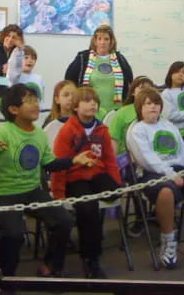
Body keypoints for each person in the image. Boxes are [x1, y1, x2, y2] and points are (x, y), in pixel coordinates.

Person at [0, 84, 95, 279]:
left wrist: (74, 160)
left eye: (36, 100)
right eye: (29, 101)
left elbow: (50, 163)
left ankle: (51, 266)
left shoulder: (39, 133)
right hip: (3, 193)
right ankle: (6, 275)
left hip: (31, 191)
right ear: (13, 110)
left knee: (63, 221)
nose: (36, 105)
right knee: (14, 234)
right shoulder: (4, 131)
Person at [127, 87, 184, 269]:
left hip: (179, 169)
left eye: (156, 104)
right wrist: (170, 174)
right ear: (139, 107)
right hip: (153, 173)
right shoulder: (137, 129)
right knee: (166, 192)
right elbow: (147, 159)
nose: (153, 107)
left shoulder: (168, 125)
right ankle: (168, 241)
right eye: (148, 104)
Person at [51, 86, 123, 278]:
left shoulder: (102, 129)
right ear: (75, 107)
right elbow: (58, 164)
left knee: (115, 192)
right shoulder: (68, 131)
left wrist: (115, 181)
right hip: (75, 177)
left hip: (97, 174)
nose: (92, 104)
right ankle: (91, 258)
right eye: (87, 101)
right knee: (88, 208)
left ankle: (94, 238)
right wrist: (58, 194)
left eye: (95, 101)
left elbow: (109, 160)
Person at [109, 75, 155, 238]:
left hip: (153, 157)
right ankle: (140, 218)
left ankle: (159, 212)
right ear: (133, 92)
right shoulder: (122, 113)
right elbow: (113, 141)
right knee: (137, 177)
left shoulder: (156, 111)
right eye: (140, 88)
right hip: (128, 158)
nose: (145, 92)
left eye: (149, 89)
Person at [65, 25, 133, 120]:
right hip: (89, 111)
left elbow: (131, 81)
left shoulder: (120, 59)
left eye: (106, 39)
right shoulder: (83, 58)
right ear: (95, 41)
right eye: (99, 39)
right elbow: (69, 79)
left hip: (116, 112)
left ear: (111, 41)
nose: (103, 42)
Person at [7, 43, 46, 108]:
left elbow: (41, 99)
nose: (30, 60)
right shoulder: (15, 77)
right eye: (26, 57)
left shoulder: (39, 78)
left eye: (33, 58)